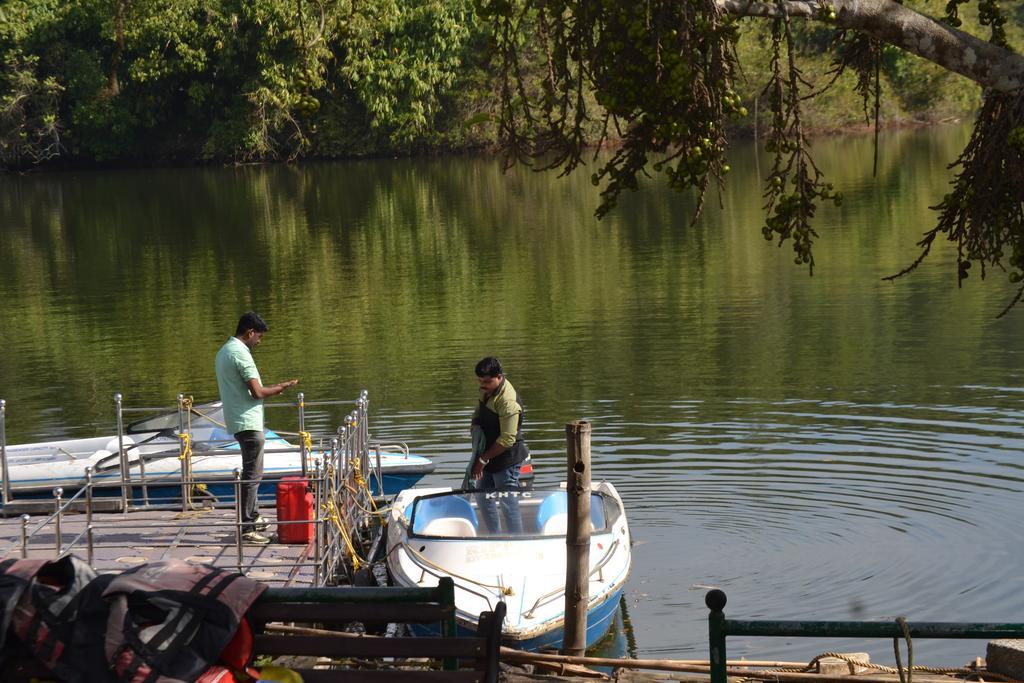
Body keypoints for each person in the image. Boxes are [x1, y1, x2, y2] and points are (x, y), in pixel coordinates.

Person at [215, 312, 299, 544]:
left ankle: (252, 516)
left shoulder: (224, 351)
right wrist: (282, 387)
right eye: (258, 337)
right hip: (248, 422)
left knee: (252, 473)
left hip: (238, 420)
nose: (259, 342)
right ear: (250, 332)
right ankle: (247, 528)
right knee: (252, 476)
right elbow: (258, 392)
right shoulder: (241, 353)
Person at [470, 357, 530, 533]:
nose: (483, 385)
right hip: (488, 453)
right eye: (480, 381)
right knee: (482, 497)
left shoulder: (508, 401)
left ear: (499, 376)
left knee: (508, 503)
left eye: (487, 381)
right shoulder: (487, 389)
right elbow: (479, 408)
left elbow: (507, 440)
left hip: (506, 458)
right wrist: (474, 423)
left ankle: (516, 542)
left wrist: (482, 460)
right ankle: (494, 536)